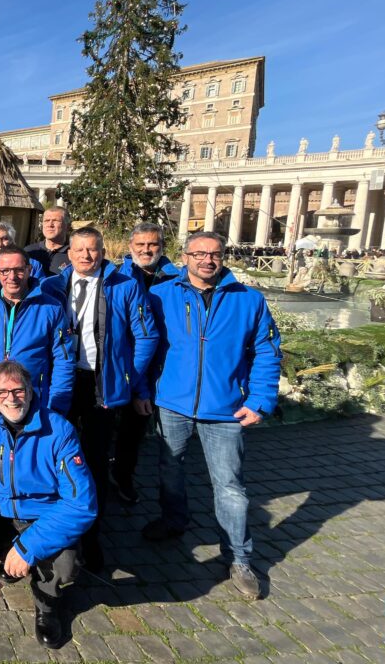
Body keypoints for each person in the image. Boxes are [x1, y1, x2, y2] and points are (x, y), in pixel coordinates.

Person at [143, 231, 282, 600]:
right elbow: (145, 345)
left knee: (230, 486)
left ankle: (239, 557)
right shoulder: (161, 294)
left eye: (215, 254)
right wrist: (143, 389)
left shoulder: (248, 300)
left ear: (223, 257)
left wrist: (260, 400)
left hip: (225, 408)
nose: (207, 260)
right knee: (169, 469)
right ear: (184, 256)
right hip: (172, 402)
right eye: (199, 253)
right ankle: (174, 520)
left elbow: (266, 352)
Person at [0, 361, 96, 649]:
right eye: (1, 392)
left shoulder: (60, 431)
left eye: (18, 390)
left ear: (31, 391)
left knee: (66, 566)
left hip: (44, 517)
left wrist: (28, 546)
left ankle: (46, 604)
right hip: (0, 514)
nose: (10, 398)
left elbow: (82, 504)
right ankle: (9, 560)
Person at [42, 227, 159, 573]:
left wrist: (127, 378)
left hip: (101, 385)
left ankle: (92, 537)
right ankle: (58, 530)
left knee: (93, 463)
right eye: (79, 250)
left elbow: (147, 336)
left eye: (92, 250)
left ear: (103, 251)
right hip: (62, 381)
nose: (86, 256)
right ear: (69, 252)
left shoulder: (124, 285)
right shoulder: (52, 286)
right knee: (57, 456)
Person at [0, 246, 74, 413]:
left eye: (19, 270)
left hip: (33, 401)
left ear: (29, 269)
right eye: (5, 271)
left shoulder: (51, 308)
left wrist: (57, 405)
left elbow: (63, 360)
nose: (12, 277)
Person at [113, 222, 180, 504]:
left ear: (161, 246)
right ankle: (114, 472)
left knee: (137, 428)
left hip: (162, 364)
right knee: (117, 425)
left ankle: (124, 476)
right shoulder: (117, 277)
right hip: (125, 362)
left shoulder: (178, 278)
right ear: (130, 248)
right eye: (140, 245)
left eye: (152, 244)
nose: (146, 250)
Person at [25, 206, 71, 275]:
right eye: (46, 221)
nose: (50, 225)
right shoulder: (28, 252)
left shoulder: (75, 254)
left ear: (67, 226)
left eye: (55, 220)